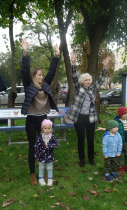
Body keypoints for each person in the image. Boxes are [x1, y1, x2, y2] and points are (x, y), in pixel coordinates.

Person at [20, 38, 60, 185]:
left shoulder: (46, 85)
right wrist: (25, 52)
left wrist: (56, 55)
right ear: (33, 77)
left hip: (44, 119)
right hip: (31, 120)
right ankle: (32, 174)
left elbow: (52, 71)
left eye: (42, 75)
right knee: (33, 147)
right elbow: (25, 70)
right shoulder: (28, 85)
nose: (42, 76)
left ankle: (42, 172)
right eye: (39, 75)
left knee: (45, 146)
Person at [68, 52, 111, 167]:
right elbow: (73, 76)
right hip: (79, 118)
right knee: (81, 139)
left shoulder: (92, 88)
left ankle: (91, 158)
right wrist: (73, 62)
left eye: (89, 79)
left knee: (90, 139)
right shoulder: (78, 88)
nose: (88, 81)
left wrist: (105, 66)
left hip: (90, 117)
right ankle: (82, 160)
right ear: (82, 81)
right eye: (86, 80)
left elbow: (101, 79)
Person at [34, 119, 58, 186]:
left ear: (51, 129)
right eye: (45, 128)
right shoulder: (39, 137)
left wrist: (49, 145)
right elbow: (36, 147)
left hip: (49, 156)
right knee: (41, 167)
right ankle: (41, 179)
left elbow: (56, 144)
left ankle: (50, 179)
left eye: (49, 128)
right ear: (42, 129)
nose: (47, 130)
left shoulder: (52, 137)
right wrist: (36, 155)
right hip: (41, 156)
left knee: (49, 167)